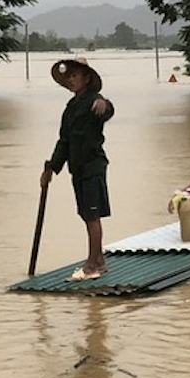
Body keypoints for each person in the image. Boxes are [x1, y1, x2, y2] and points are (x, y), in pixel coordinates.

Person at [41, 57, 115, 281]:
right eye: (69, 76)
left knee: (92, 216)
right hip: (78, 167)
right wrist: (51, 168)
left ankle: (92, 265)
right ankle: (99, 259)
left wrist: (106, 104)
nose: (71, 80)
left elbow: (107, 111)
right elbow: (64, 140)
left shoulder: (95, 100)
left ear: (86, 77)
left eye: (75, 75)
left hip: (93, 165)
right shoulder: (71, 107)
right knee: (85, 214)